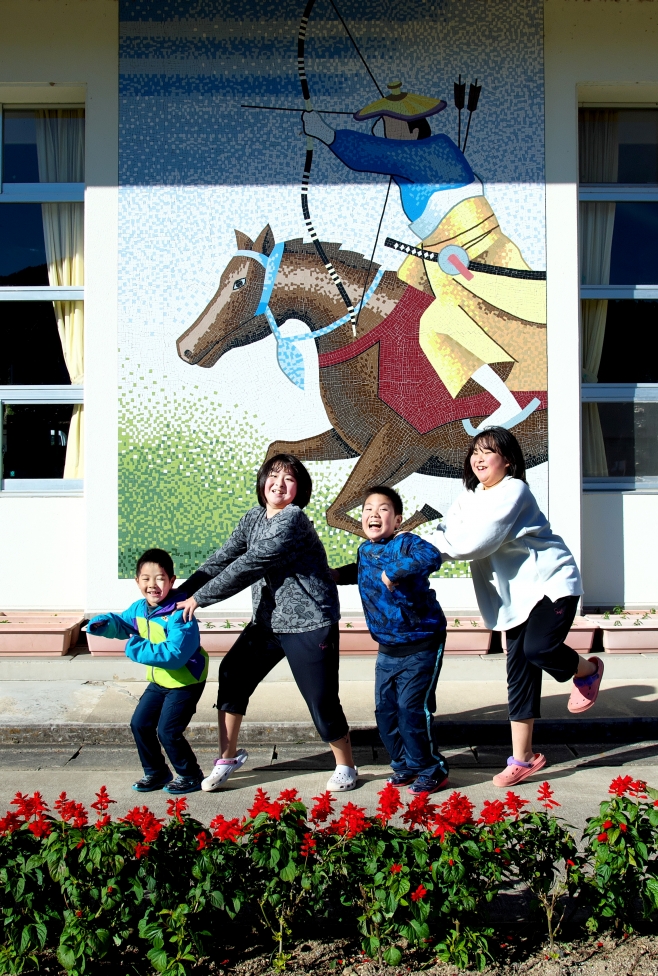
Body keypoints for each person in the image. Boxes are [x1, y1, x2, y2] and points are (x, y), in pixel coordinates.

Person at [302, 81, 546, 435]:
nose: (383, 129)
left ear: (411, 126)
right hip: (444, 252)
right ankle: (419, 394)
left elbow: (369, 154)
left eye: (389, 122)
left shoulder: (425, 152)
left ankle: (505, 401)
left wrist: (325, 133)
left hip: (474, 256)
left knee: (436, 324)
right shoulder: (430, 152)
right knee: (398, 299)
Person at [432, 428, 603, 788]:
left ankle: (587, 669)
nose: (479, 458)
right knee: (519, 672)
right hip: (515, 598)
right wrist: (416, 548)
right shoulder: (469, 495)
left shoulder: (514, 491)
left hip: (551, 583)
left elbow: (477, 541)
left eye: (489, 452)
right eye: (475, 451)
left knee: (538, 648)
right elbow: (448, 529)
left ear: (507, 461)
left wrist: (429, 551)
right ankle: (522, 759)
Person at [176, 453, 357, 793]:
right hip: (267, 621)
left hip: (309, 622)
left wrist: (200, 599)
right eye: (273, 476)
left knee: (320, 699)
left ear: (298, 489)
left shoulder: (293, 520)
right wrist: (180, 593)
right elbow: (223, 558)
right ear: (262, 483)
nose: (279, 484)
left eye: (289, 479)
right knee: (232, 674)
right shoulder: (253, 518)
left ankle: (346, 764)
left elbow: (251, 564)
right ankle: (227, 758)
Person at [335, 486, 449, 795]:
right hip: (388, 646)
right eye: (367, 508)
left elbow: (431, 556)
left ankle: (431, 768)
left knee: (411, 709)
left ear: (397, 520)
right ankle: (405, 765)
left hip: (422, 639)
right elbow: (360, 572)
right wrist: (329, 575)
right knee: (385, 712)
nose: (373, 513)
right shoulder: (365, 551)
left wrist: (397, 569)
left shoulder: (406, 543)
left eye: (383, 509)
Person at [87, 548, 208, 794]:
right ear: (137, 581)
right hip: (160, 681)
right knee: (140, 723)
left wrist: (135, 646)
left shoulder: (180, 612)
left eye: (160, 578)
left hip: (185, 681)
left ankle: (190, 775)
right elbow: (122, 623)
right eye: (146, 579)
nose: (153, 585)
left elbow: (175, 655)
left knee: (168, 730)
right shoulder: (139, 608)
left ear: (172, 581)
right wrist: (103, 624)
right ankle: (156, 772)